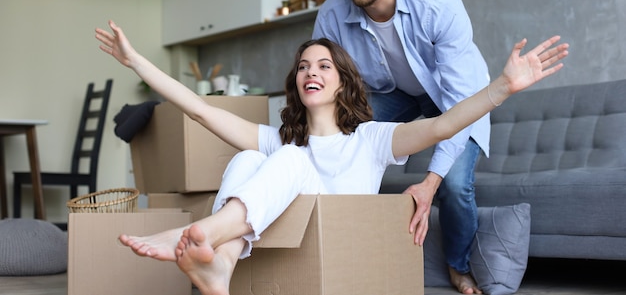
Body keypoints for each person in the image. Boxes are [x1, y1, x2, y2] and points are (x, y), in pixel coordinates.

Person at [95, 20, 567, 295]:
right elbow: (198, 109)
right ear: (296, 84)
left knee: (288, 159)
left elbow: (443, 126)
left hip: (344, 253)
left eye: (323, 66)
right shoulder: (278, 142)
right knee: (246, 160)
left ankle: (202, 235)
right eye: (303, 67)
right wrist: (136, 60)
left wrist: (502, 88)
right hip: (289, 245)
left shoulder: (371, 139)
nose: (310, 72)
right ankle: (223, 260)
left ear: (342, 81)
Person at [312, 0, 492, 293]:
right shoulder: (332, 16)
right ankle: (339, 250)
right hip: (394, 94)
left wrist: (429, 183)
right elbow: (326, 87)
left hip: (455, 96)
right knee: (342, 140)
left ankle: (458, 266)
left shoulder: (437, 3)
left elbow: (459, 105)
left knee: (455, 186)